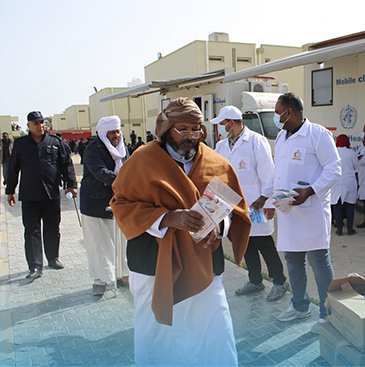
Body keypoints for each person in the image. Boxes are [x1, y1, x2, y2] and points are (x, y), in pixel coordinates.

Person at [110, 98, 251, 366]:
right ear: (165, 128)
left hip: (205, 264)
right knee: (159, 336)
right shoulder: (142, 160)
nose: (190, 136)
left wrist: (219, 227)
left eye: (196, 129)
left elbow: (234, 209)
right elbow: (122, 205)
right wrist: (167, 218)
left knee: (214, 330)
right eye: (182, 129)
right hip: (153, 263)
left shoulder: (217, 163)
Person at [251, 92, 341, 334]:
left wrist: (310, 191)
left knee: (319, 262)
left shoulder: (317, 134)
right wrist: (265, 197)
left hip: (310, 211)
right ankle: (300, 305)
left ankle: (327, 313)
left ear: (288, 112)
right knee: (292, 260)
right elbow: (276, 173)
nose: (276, 117)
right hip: (288, 210)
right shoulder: (281, 137)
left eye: (277, 111)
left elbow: (334, 169)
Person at [213, 105, 289, 301]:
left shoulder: (256, 141)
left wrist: (271, 202)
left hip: (257, 204)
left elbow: (268, 174)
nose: (220, 128)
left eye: (222, 123)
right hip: (234, 207)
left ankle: (279, 281)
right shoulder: (221, 146)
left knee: (263, 243)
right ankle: (255, 280)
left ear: (231, 123)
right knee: (245, 243)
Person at [6, 111, 77, 280]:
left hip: (51, 193)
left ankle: (53, 258)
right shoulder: (20, 144)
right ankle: (35, 266)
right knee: (32, 231)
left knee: (53, 228)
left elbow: (66, 164)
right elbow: (13, 168)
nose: (40, 126)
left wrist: (71, 185)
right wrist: (10, 191)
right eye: (36, 123)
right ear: (28, 125)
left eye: (42, 122)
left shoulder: (55, 142)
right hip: (29, 195)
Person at [80, 116, 129, 297]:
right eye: (111, 132)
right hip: (95, 202)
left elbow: (130, 168)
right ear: (103, 133)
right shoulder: (93, 149)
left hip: (119, 202)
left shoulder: (122, 149)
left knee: (123, 242)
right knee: (99, 244)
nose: (116, 135)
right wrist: (126, 181)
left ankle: (124, 274)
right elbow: (101, 173)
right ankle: (100, 280)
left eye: (117, 131)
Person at [330, 134, 358, 236]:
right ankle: (350, 229)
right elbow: (355, 166)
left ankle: (339, 229)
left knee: (337, 206)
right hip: (349, 181)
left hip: (336, 181)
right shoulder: (351, 153)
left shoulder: (333, 152)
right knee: (350, 205)